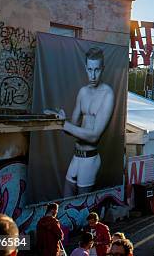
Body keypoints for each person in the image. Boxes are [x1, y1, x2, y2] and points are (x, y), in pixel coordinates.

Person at [46, 47, 115, 197]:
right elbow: (73, 128)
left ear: (102, 69)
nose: (93, 75)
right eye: (90, 69)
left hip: (90, 159)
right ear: (85, 68)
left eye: (97, 70)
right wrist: (61, 120)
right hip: (76, 157)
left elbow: (94, 136)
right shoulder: (83, 92)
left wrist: (65, 124)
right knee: (66, 203)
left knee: (81, 210)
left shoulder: (107, 94)